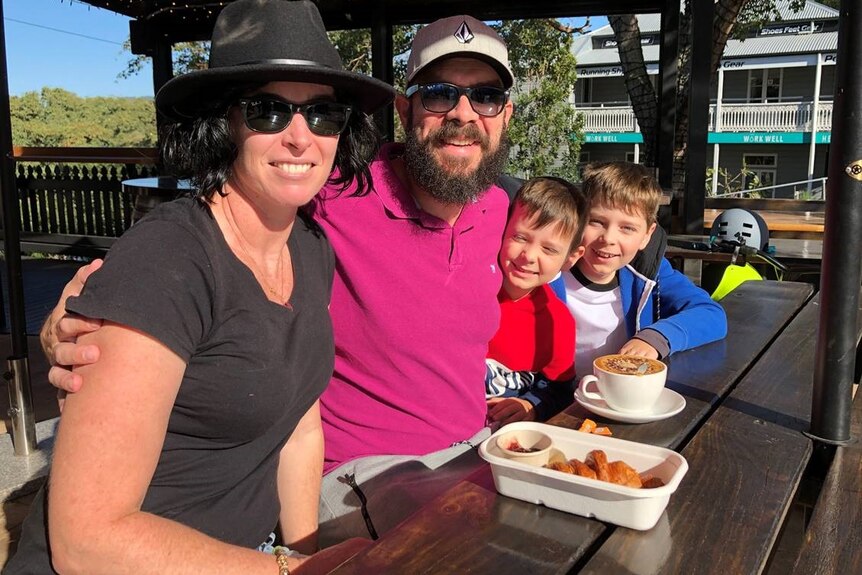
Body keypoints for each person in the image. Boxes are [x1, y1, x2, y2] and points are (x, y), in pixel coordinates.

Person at [40, 14, 516, 546]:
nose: (464, 114)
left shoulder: (498, 208)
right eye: (438, 93)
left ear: (506, 115)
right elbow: (169, 262)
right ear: (405, 110)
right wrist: (73, 319)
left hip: (473, 455)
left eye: (487, 97)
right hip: (370, 476)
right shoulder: (333, 192)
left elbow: (580, 255)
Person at [5, 1, 394, 573]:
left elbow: (299, 428)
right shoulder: (167, 260)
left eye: (323, 114)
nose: (299, 137)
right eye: (267, 112)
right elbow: (86, 539)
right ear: (223, 124)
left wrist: (308, 556)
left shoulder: (311, 249)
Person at [554, 162, 727, 374]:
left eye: (627, 228)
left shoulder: (648, 273)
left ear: (647, 235)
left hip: (618, 395)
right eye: (596, 221)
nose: (608, 238)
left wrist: (656, 338)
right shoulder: (551, 269)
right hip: (549, 398)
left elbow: (711, 314)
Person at [485, 177, 587, 426]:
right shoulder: (470, 291)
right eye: (520, 237)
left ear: (571, 258)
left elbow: (558, 389)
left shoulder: (559, 323)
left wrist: (530, 404)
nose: (529, 256)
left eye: (549, 249)